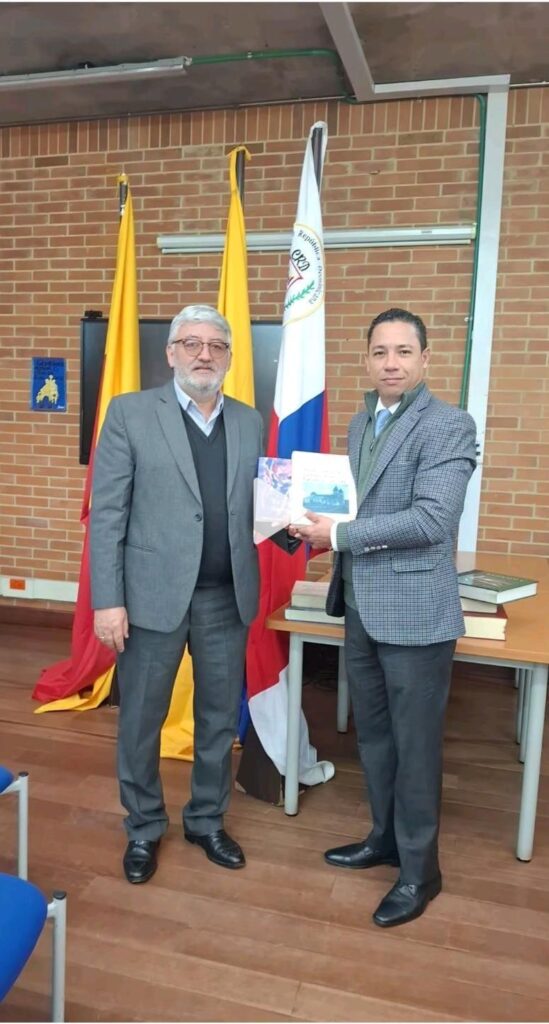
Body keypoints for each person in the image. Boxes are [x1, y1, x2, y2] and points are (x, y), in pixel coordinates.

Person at [290, 308, 477, 928]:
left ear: (425, 359)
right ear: (366, 360)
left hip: (417, 614)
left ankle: (421, 872)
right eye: (380, 352)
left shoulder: (449, 425)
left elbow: (432, 521)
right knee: (373, 737)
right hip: (362, 609)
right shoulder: (360, 421)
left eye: (403, 352)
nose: (391, 363)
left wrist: (340, 534)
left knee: (415, 747)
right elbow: (353, 509)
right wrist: (310, 526)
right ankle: (385, 839)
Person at [90, 304, 263, 884]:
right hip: (149, 599)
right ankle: (143, 826)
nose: (204, 354)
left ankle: (206, 820)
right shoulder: (130, 414)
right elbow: (107, 514)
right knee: (142, 719)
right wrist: (108, 600)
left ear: (229, 357)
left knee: (217, 719)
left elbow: (259, 506)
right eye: (191, 343)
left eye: (216, 345)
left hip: (225, 597)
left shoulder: (249, 421)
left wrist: (297, 523)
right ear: (170, 353)